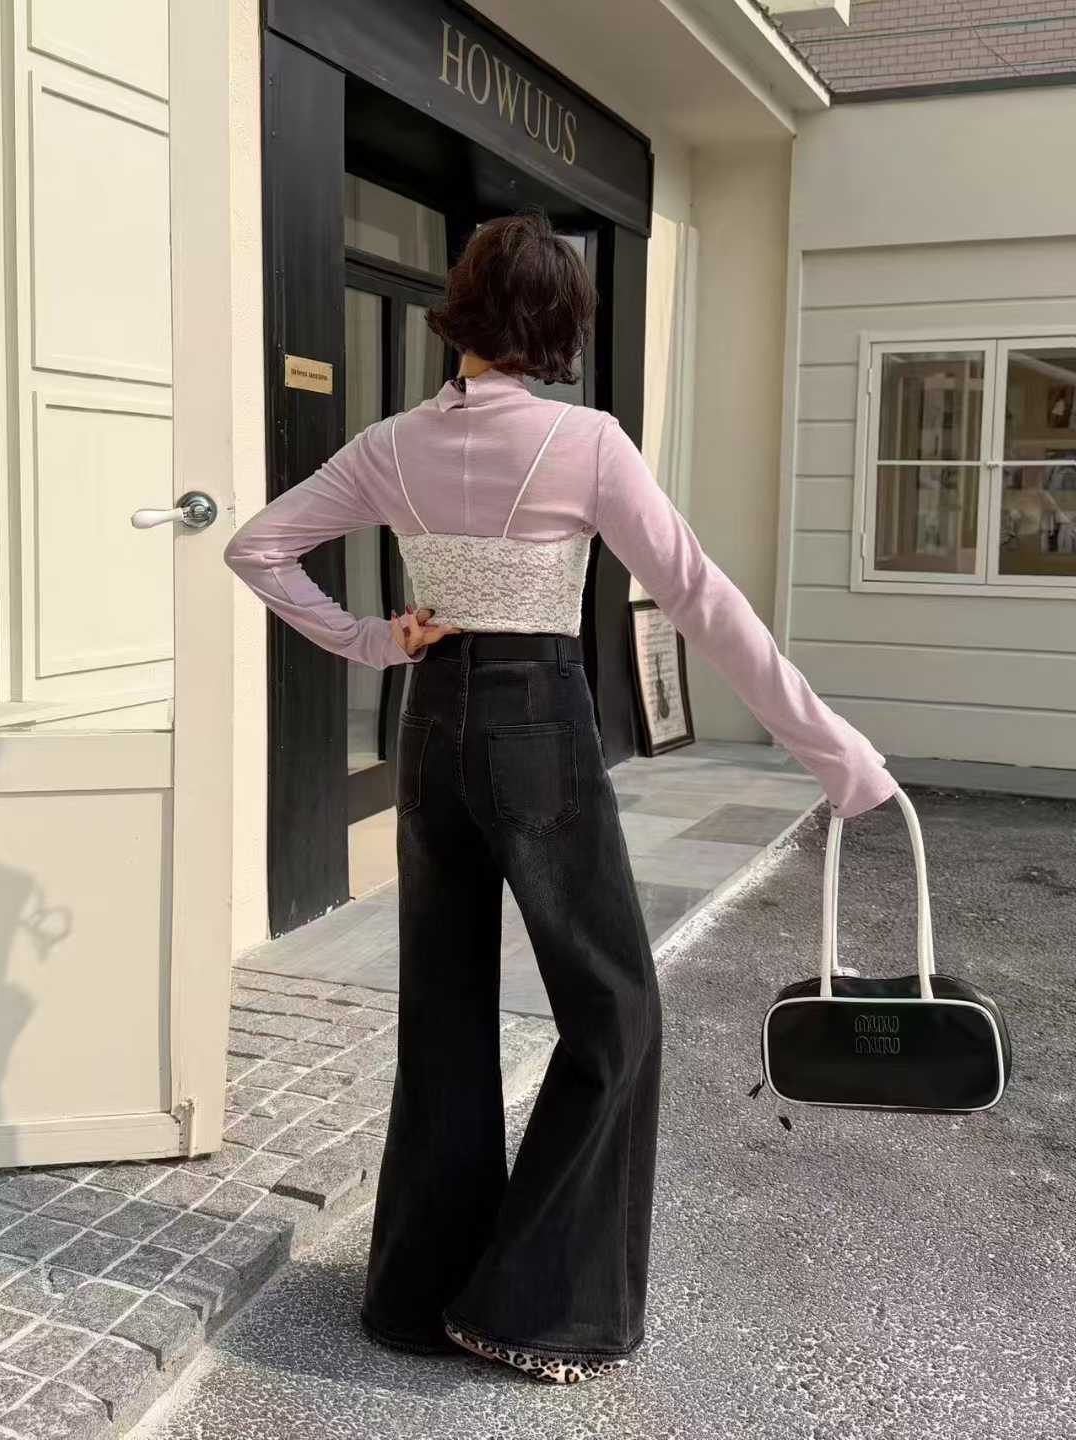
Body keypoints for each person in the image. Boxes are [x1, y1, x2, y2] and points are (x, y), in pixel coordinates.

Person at [223, 208, 899, 1386]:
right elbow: (699, 597)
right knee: (614, 1009)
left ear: (462, 315)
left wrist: (375, 641)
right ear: (558, 325)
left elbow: (256, 547)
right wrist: (833, 751)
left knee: (443, 1010)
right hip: (536, 721)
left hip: (429, 720)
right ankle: (535, 1309)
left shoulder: (390, 444)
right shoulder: (586, 443)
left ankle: (417, 1294)